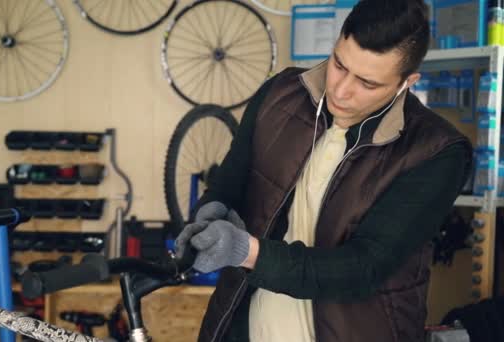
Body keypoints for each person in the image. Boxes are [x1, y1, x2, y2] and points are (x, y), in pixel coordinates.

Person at [174, 1, 473, 341]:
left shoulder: (436, 151)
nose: (341, 90)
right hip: (245, 329)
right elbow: (228, 185)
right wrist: (211, 214)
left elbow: (364, 267)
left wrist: (246, 251)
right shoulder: (278, 95)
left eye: (367, 83)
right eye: (339, 64)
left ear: (407, 82)